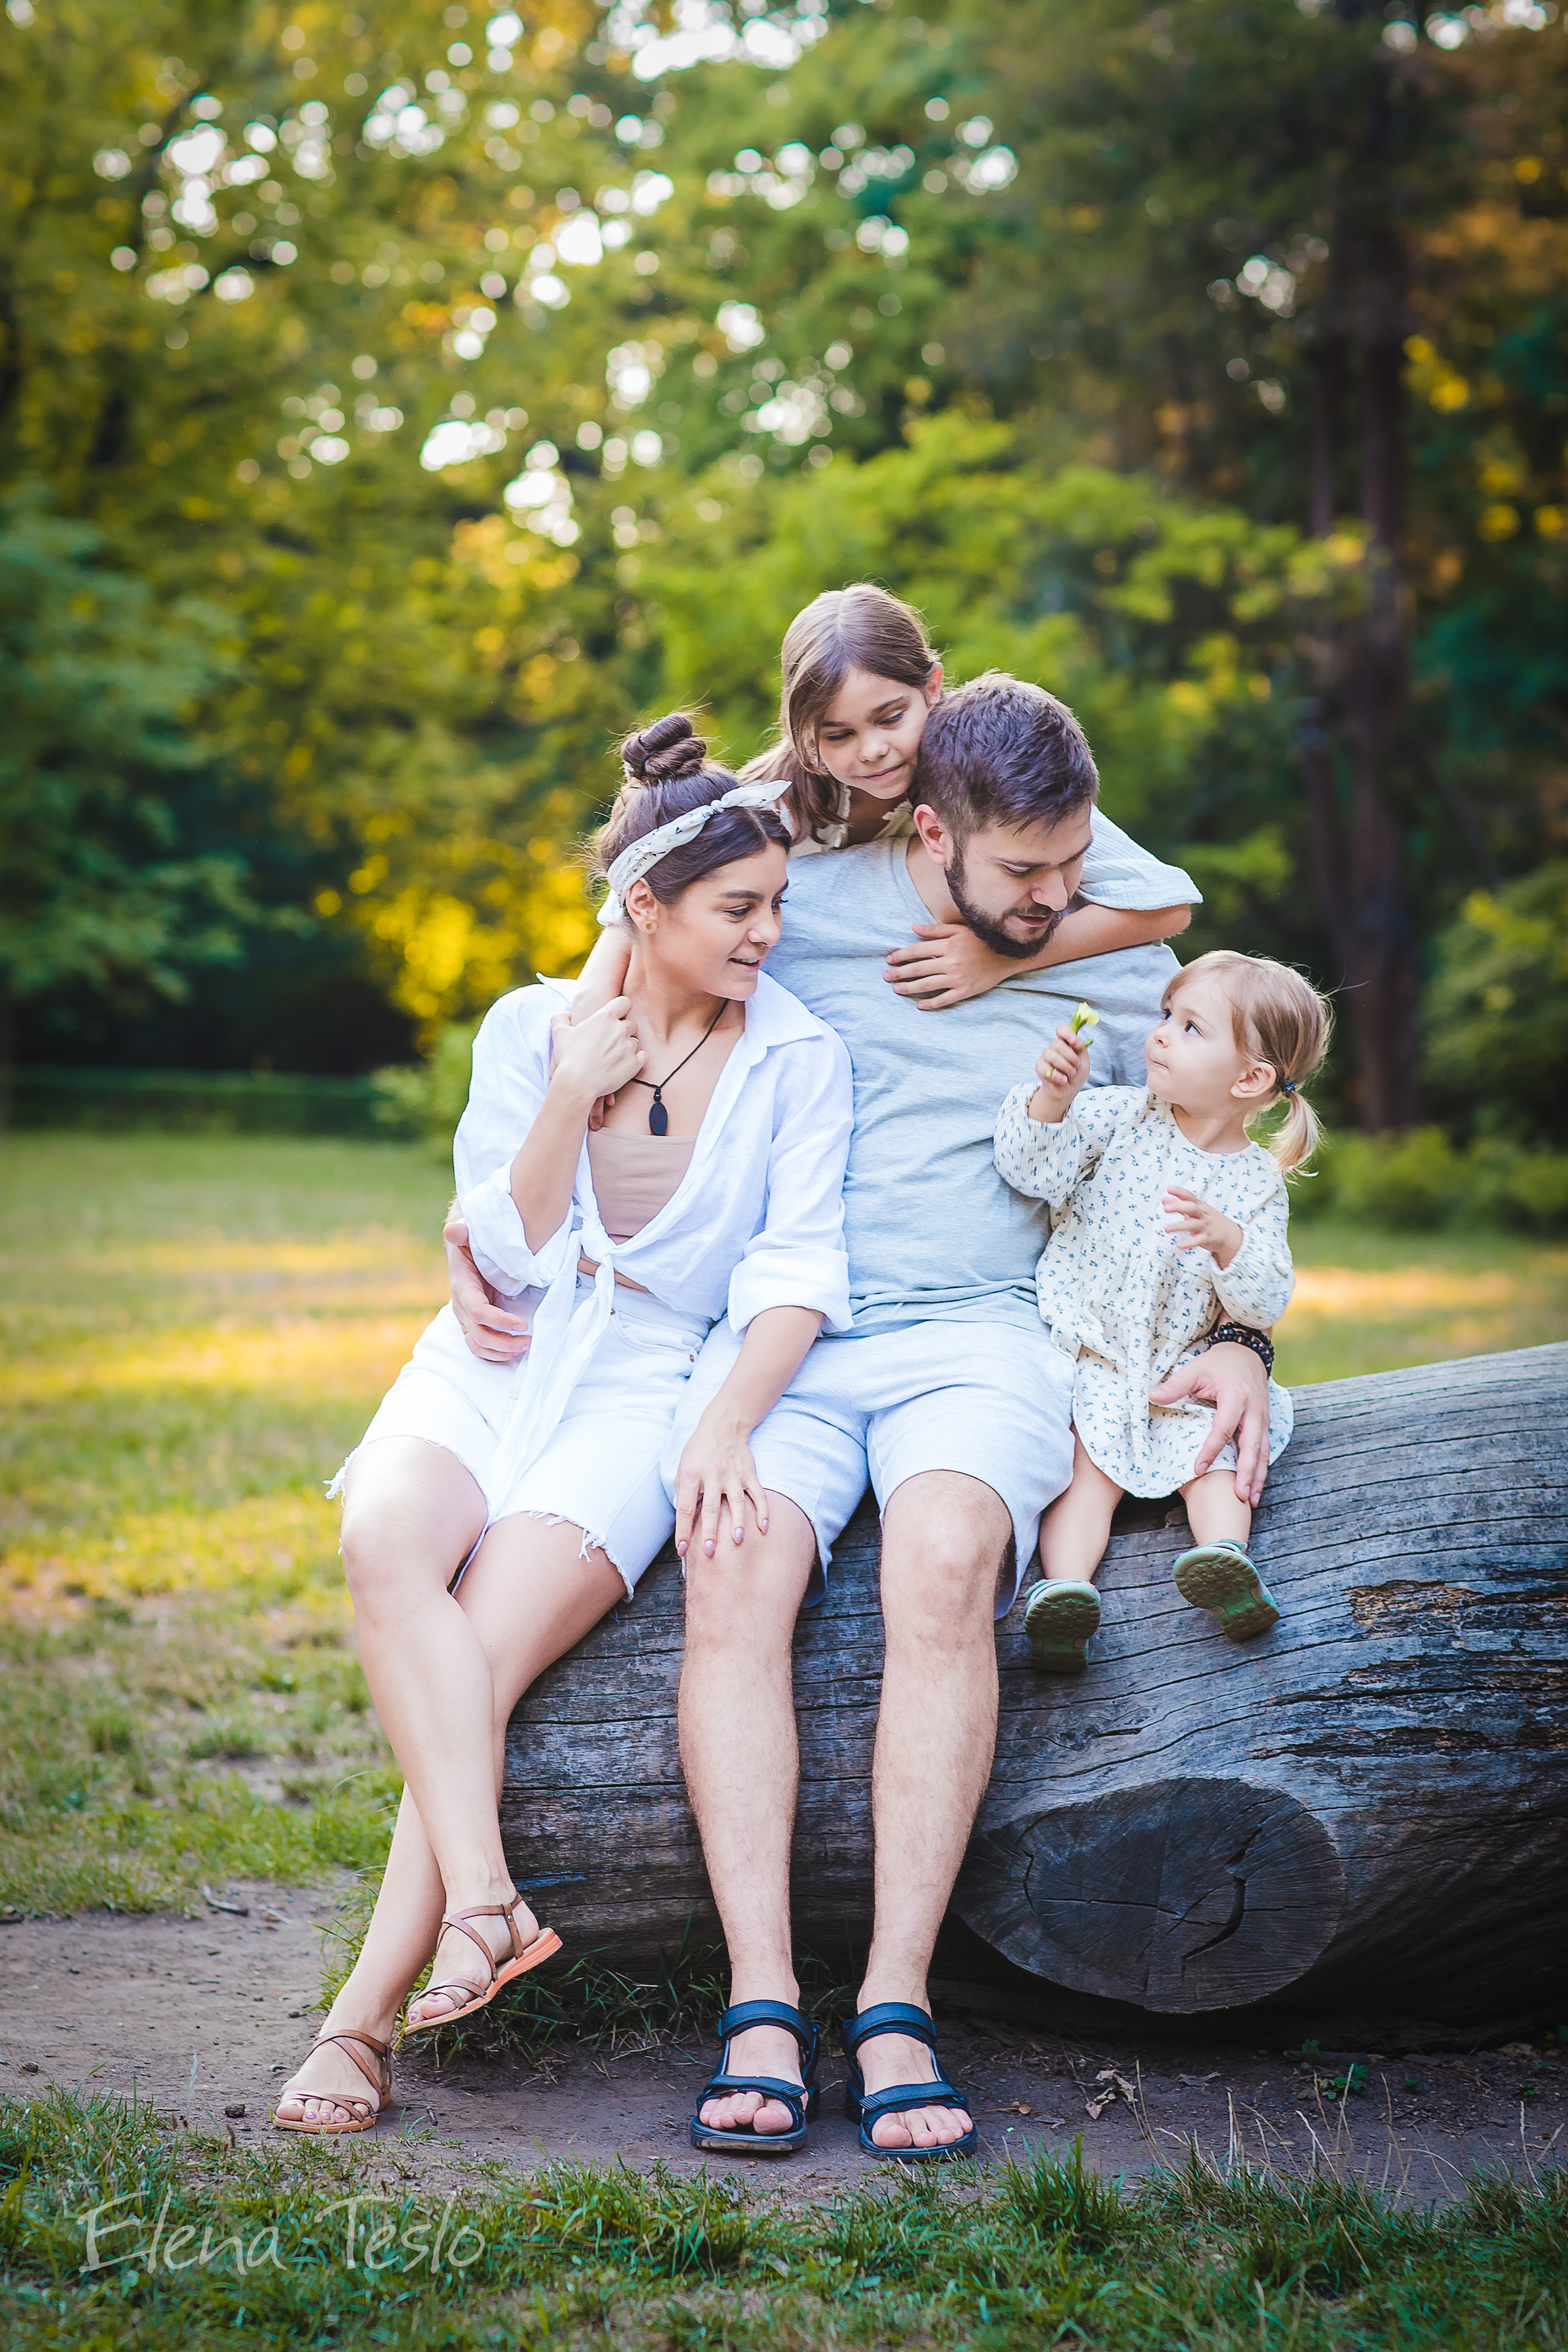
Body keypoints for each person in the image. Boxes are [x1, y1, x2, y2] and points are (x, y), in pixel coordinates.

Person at [659, 673, 1274, 2162]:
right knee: (733, 1568)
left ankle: (891, 1997)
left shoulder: (1124, 962)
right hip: (782, 1331)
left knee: (942, 1563)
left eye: (1077, 869)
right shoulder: (791, 884)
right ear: (927, 824)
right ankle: (757, 1996)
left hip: (984, 1335)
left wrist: (1244, 1333)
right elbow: (642, 946)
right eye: (1024, 876)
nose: (1057, 897)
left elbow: (1211, 1165)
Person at [271, 714, 852, 2136]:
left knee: (472, 1648)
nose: (769, 931)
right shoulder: (529, 1028)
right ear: (640, 908)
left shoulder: (798, 1058)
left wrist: (722, 1422)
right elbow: (504, 1251)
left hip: (643, 1385)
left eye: (776, 902)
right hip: (496, 1358)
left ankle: (355, 2023)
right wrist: (569, 1094)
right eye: (738, 906)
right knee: (379, 1539)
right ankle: (483, 1900)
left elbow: (794, 1275)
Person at [994, 951, 1331, 1675]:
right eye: (1165, 1018)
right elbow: (1031, 1171)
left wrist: (1229, 1242)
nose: (1159, 1037)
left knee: (1214, 1456)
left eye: (1189, 1027)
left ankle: (1224, 1563)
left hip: (1183, 1364)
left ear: (1249, 1080)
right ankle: (1066, 1595)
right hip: (1098, 1351)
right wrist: (1051, 1100)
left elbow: (1265, 1296)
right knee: (1086, 1473)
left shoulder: (1253, 1186)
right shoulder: (1119, 1117)